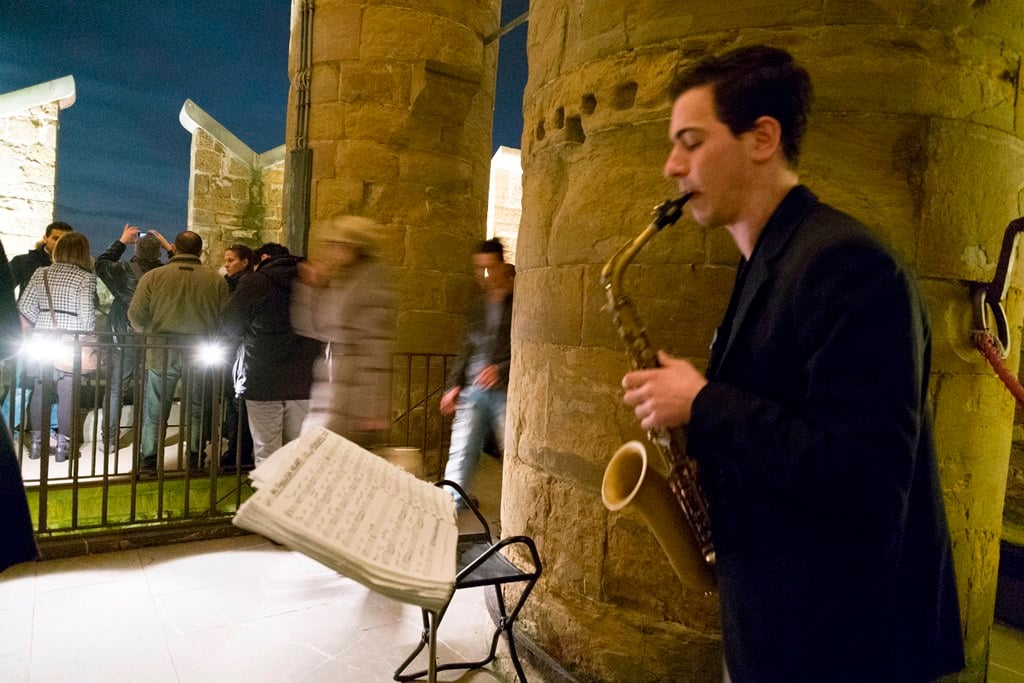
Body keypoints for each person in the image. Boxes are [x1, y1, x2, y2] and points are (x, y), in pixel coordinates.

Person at [620, 46, 963, 681]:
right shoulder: (770, 260)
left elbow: (864, 478)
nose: (671, 166)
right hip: (776, 623)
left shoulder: (847, 264)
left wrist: (701, 403)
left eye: (690, 142)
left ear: (762, 139)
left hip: (838, 644)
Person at [128, 230, 229, 474]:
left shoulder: (154, 277)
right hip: (201, 350)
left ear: (175, 248)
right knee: (196, 408)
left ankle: (149, 460)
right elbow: (224, 318)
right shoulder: (215, 280)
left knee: (155, 410)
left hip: (161, 350)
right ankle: (194, 459)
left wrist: (149, 333)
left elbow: (135, 316)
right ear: (200, 250)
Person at [291, 215, 395, 447]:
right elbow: (310, 326)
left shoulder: (372, 277)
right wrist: (312, 289)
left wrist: (373, 407)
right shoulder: (338, 277)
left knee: (327, 456)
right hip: (329, 379)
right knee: (313, 451)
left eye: (338, 244)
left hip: (355, 391)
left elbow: (376, 343)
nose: (332, 250)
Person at [221, 243, 320, 466]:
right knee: (299, 450)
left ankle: (271, 499)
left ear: (263, 258)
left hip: (262, 378)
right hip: (303, 379)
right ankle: (295, 498)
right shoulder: (311, 280)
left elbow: (229, 322)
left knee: (267, 451)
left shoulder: (258, 281)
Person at [439, 239, 513, 506]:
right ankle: (450, 507)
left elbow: (529, 350)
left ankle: (518, 510)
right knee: (461, 451)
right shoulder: (476, 304)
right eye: (479, 269)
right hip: (474, 388)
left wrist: (501, 370)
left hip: (506, 392)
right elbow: (466, 347)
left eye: (490, 268)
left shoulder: (520, 302)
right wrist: (452, 386)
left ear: (503, 266)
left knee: (514, 454)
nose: (485, 275)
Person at [17, 232, 96, 461]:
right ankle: (64, 447)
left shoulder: (41, 273)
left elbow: (25, 309)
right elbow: (87, 320)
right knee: (67, 394)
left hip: (41, 340)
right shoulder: (85, 278)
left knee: (40, 390)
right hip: (69, 342)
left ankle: (37, 444)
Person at [94, 224, 171, 452]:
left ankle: (108, 440)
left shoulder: (122, 271)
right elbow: (181, 266)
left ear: (136, 248)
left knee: (116, 387)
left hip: (124, 336)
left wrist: (121, 241)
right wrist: (170, 248)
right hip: (153, 335)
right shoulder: (165, 274)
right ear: (158, 252)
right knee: (150, 388)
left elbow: (101, 264)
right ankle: (148, 439)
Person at [0, 237, 38, 573]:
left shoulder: (37, 272)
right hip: (72, 347)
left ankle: (34, 437)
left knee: (30, 389)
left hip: (42, 343)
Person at [218, 243, 256, 468]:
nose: (226, 264)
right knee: (233, 403)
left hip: (238, 351)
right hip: (230, 350)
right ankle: (236, 450)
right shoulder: (230, 283)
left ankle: (238, 453)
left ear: (245, 262)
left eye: (231, 260)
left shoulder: (245, 286)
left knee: (237, 403)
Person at [10, 221, 73, 295]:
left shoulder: (76, 267)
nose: (59, 243)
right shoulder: (22, 261)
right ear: (45, 238)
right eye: (56, 238)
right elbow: (4, 288)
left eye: (64, 240)